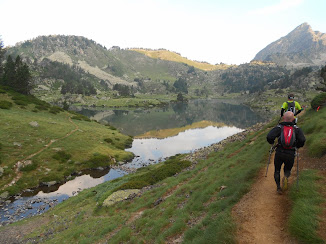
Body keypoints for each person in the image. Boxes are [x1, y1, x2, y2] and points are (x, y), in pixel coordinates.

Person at [267, 111, 306, 194]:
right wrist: (297, 146)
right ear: (293, 119)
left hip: (279, 152)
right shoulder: (297, 129)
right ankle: (286, 177)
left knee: (277, 170)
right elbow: (302, 140)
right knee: (287, 168)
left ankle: (278, 188)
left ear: (283, 118)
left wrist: (272, 142)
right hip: (290, 153)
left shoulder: (279, 127)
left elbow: (269, 136)